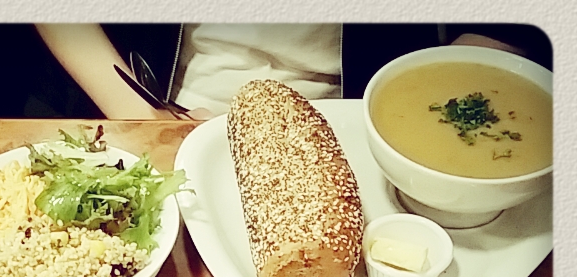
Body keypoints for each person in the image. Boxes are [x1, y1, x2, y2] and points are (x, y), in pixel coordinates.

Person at [36, 23, 552, 120]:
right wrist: (140, 114)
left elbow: (507, 28)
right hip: (168, 105)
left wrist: (418, 122)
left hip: (357, 115)